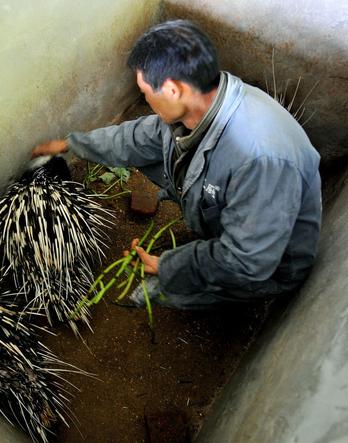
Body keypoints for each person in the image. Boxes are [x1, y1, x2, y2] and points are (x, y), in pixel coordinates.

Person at [32, 20, 322, 309]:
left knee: (171, 291)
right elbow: (137, 139)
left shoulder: (260, 160)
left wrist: (167, 265)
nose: (145, 98)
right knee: (147, 152)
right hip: (245, 216)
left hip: (270, 266)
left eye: (145, 92)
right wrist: (73, 144)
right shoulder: (204, 100)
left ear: (172, 89)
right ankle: (202, 236)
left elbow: (247, 261)